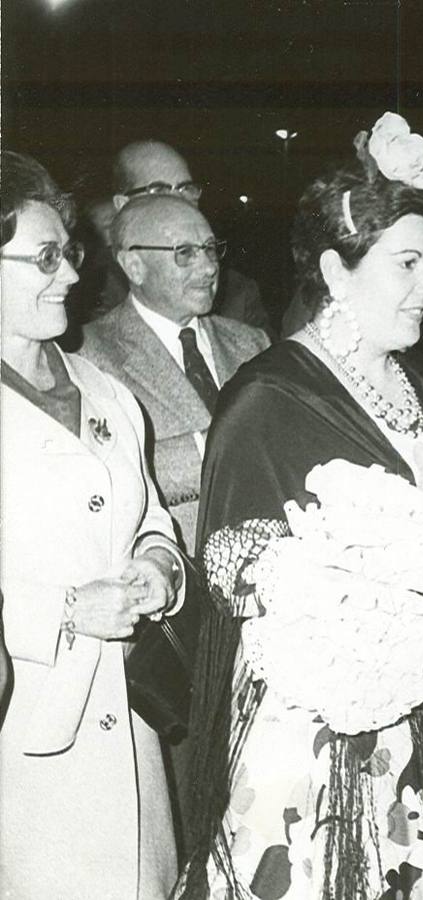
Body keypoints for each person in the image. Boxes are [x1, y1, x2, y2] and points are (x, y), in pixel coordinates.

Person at [179, 117, 423, 899]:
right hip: (319, 723)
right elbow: (237, 575)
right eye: (406, 264)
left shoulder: (417, 382)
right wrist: (420, 588)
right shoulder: (270, 395)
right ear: (337, 273)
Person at [0, 150, 184, 898]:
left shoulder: (105, 391)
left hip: (130, 727)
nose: (71, 275)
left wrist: (159, 565)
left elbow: (153, 515)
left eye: (68, 253)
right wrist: (65, 611)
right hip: (26, 735)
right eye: (44, 257)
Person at [80, 195, 270, 549]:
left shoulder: (252, 343)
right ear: (134, 265)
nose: (210, 267)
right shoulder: (88, 356)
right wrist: (217, 446)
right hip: (178, 575)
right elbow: (102, 480)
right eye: (185, 252)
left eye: (211, 249)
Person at [106, 140, 273, 334]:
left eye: (187, 188)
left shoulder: (237, 295)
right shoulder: (90, 296)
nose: (180, 201)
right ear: (123, 205)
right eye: (159, 190)